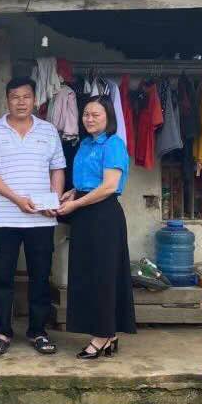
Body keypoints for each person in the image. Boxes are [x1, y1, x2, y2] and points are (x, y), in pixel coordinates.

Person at [0, 77, 66, 356]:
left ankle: (38, 331)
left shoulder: (48, 130)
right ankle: (2, 331)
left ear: (34, 100)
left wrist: (54, 199)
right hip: (4, 218)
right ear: (7, 100)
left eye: (26, 96)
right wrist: (17, 199)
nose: (20, 102)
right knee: (2, 278)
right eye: (15, 97)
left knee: (40, 276)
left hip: (41, 218)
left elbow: (57, 169)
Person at [58, 96, 137, 360]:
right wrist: (71, 193)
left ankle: (102, 335)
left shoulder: (113, 144)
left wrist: (77, 202)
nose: (89, 119)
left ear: (108, 118)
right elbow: (87, 180)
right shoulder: (85, 144)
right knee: (87, 274)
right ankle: (109, 334)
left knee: (104, 275)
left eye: (96, 115)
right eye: (86, 115)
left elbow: (109, 186)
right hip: (83, 213)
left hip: (103, 215)